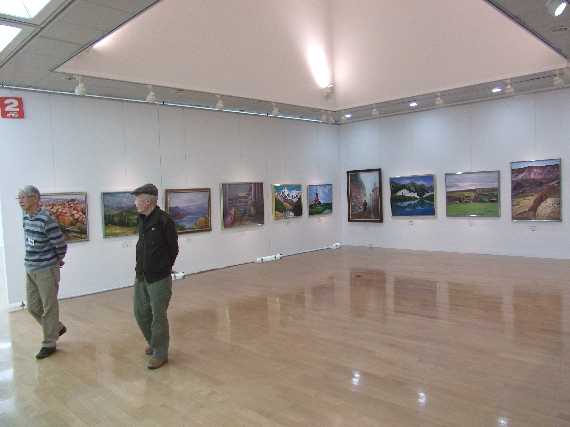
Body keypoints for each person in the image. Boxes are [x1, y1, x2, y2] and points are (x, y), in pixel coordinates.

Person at [132, 183, 179, 369]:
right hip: (141, 274)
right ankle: (154, 342)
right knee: (140, 312)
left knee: (158, 316)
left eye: (137, 199)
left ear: (148, 202)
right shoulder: (141, 219)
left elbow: (173, 249)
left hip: (159, 277)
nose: (135, 203)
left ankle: (160, 353)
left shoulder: (164, 221)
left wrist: (163, 267)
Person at [18, 185, 67, 359]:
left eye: (23, 197)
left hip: (46, 269)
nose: (20, 201)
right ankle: (57, 328)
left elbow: (60, 244)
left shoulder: (46, 219)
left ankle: (49, 343)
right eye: (19, 198)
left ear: (35, 198)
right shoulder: (25, 217)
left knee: (49, 307)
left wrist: (57, 260)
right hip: (30, 268)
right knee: (33, 307)